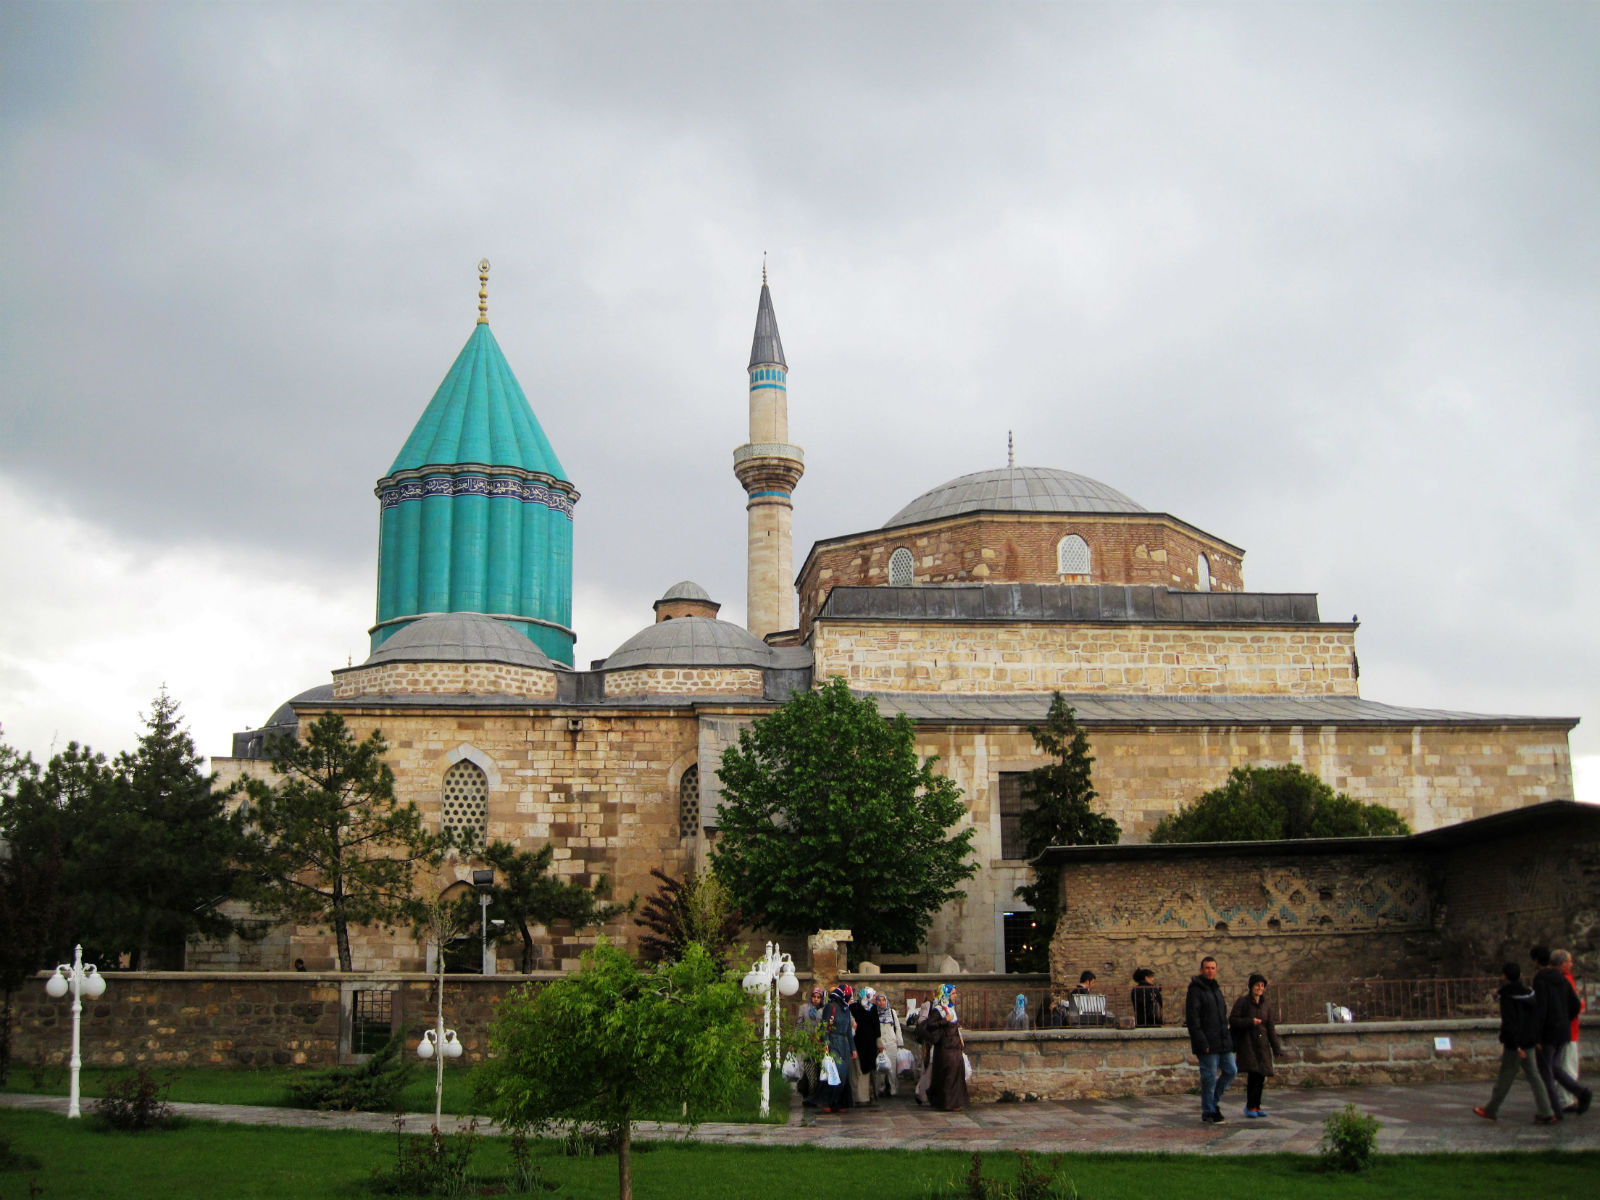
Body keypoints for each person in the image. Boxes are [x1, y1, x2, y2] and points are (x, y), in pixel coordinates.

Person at [1474, 961, 1556, 1124]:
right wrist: (1535, 1039)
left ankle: (1491, 1109)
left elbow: (1510, 1022)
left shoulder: (1507, 996)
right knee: (1534, 1076)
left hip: (1516, 1044)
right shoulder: (1530, 994)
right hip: (1529, 1041)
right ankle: (1546, 1110)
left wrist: (1515, 1044)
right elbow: (1535, 1019)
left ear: (1504, 976)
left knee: (1506, 1076)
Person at [1531, 945, 1591, 1118]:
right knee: (1555, 1067)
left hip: (1548, 1032)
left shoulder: (1540, 979)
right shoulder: (1562, 978)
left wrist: (1537, 1035)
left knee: (1546, 1071)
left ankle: (1554, 1110)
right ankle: (1580, 1091)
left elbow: (1541, 1008)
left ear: (1536, 961)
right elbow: (1575, 1004)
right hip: (1563, 1031)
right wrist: (1565, 1019)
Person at [1185, 955, 1236, 1124]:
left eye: (1213, 968)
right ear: (1201, 970)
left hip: (1222, 1041)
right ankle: (1208, 1111)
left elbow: (1222, 1016)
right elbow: (1193, 1019)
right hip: (1206, 1043)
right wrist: (1202, 1042)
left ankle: (1213, 1102)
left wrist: (1228, 1039)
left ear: (1216, 970)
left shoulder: (1216, 989)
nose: (1210, 971)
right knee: (1209, 1077)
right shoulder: (1195, 990)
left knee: (1231, 1070)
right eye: (1207, 968)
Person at [1229, 973, 1285, 1118]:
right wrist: (1250, 1021)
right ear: (1251, 987)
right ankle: (1250, 1106)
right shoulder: (1243, 1002)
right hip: (1248, 1044)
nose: (1260, 988)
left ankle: (1257, 1105)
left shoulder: (1266, 1005)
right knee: (1253, 1075)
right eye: (1257, 985)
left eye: (1262, 986)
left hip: (1262, 1045)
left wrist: (1276, 1047)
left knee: (1261, 1076)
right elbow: (1233, 1020)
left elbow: (1270, 1027)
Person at [920, 983, 969, 1112]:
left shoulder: (951, 1008)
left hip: (955, 1045)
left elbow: (955, 1025)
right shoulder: (938, 1010)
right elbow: (931, 1025)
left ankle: (955, 1102)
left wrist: (960, 1038)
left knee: (957, 1074)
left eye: (955, 993)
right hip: (945, 1047)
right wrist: (945, 1020)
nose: (955, 996)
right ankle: (946, 1102)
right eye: (953, 993)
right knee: (947, 1075)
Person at [1554, 949, 1587, 1114]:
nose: (1571, 964)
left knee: (1562, 1065)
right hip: (1570, 1030)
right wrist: (1580, 1004)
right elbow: (1573, 1005)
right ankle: (1566, 1099)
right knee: (1568, 1066)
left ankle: (1563, 1098)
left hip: (1564, 1030)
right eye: (1569, 961)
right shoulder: (1566, 980)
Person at [818, 984, 857, 1113]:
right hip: (833, 1042)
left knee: (844, 1075)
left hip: (844, 1044)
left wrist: (853, 1049)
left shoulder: (846, 1010)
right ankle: (827, 1101)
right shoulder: (830, 1007)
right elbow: (824, 1027)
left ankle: (838, 1102)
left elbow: (848, 1031)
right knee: (835, 1071)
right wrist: (826, 1044)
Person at [796, 985, 827, 1106]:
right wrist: (798, 1039)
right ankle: (808, 1094)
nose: (815, 999)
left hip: (819, 1043)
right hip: (807, 1042)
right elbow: (799, 1024)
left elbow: (825, 1026)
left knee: (819, 1069)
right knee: (808, 1068)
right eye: (814, 996)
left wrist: (819, 1037)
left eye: (818, 997)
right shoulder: (804, 1008)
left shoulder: (824, 1010)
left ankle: (816, 1095)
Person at [851, 986, 882, 1104]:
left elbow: (876, 1026)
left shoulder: (871, 1008)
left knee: (864, 1070)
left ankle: (862, 1096)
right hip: (858, 1043)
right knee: (857, 1070)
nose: (874, 998)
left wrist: (879, 1043)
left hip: (867, 1044)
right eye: (872, 995)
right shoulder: (854, 1007)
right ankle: (858, 1097)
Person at [873, 989, 906, 1096]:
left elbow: (897, 1027)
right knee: (880, 1066)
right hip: (881, 1042)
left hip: (891, 1042)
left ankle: (893, 1087)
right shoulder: (874, 1013)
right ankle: (881, 1087)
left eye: (883, 1000)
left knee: (892, 1068)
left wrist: (899, 1041)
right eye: (879, 1000)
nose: (881, 1002)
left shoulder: (892, 1012)